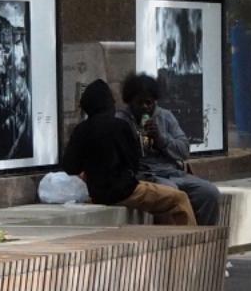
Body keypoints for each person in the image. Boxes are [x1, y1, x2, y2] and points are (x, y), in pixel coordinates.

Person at [61, 79, 195, 225]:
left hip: (97, 193)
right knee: (179, 199)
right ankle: (193, 244)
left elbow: (70, 166)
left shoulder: (80, 130)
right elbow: (133, 162)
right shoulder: (120, 126)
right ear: (109, 104)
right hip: (125, 192)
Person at [122, 72, 221, 227]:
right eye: (139, 103)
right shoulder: (122, 121)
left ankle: (203, 238)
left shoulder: (165, 117)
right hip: (147, 175)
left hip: (173, 172)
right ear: (130, 102)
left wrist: (161, 139)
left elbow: (183, 150)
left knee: (209, 193)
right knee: (170, 193)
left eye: (149, 103)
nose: (145, 108)